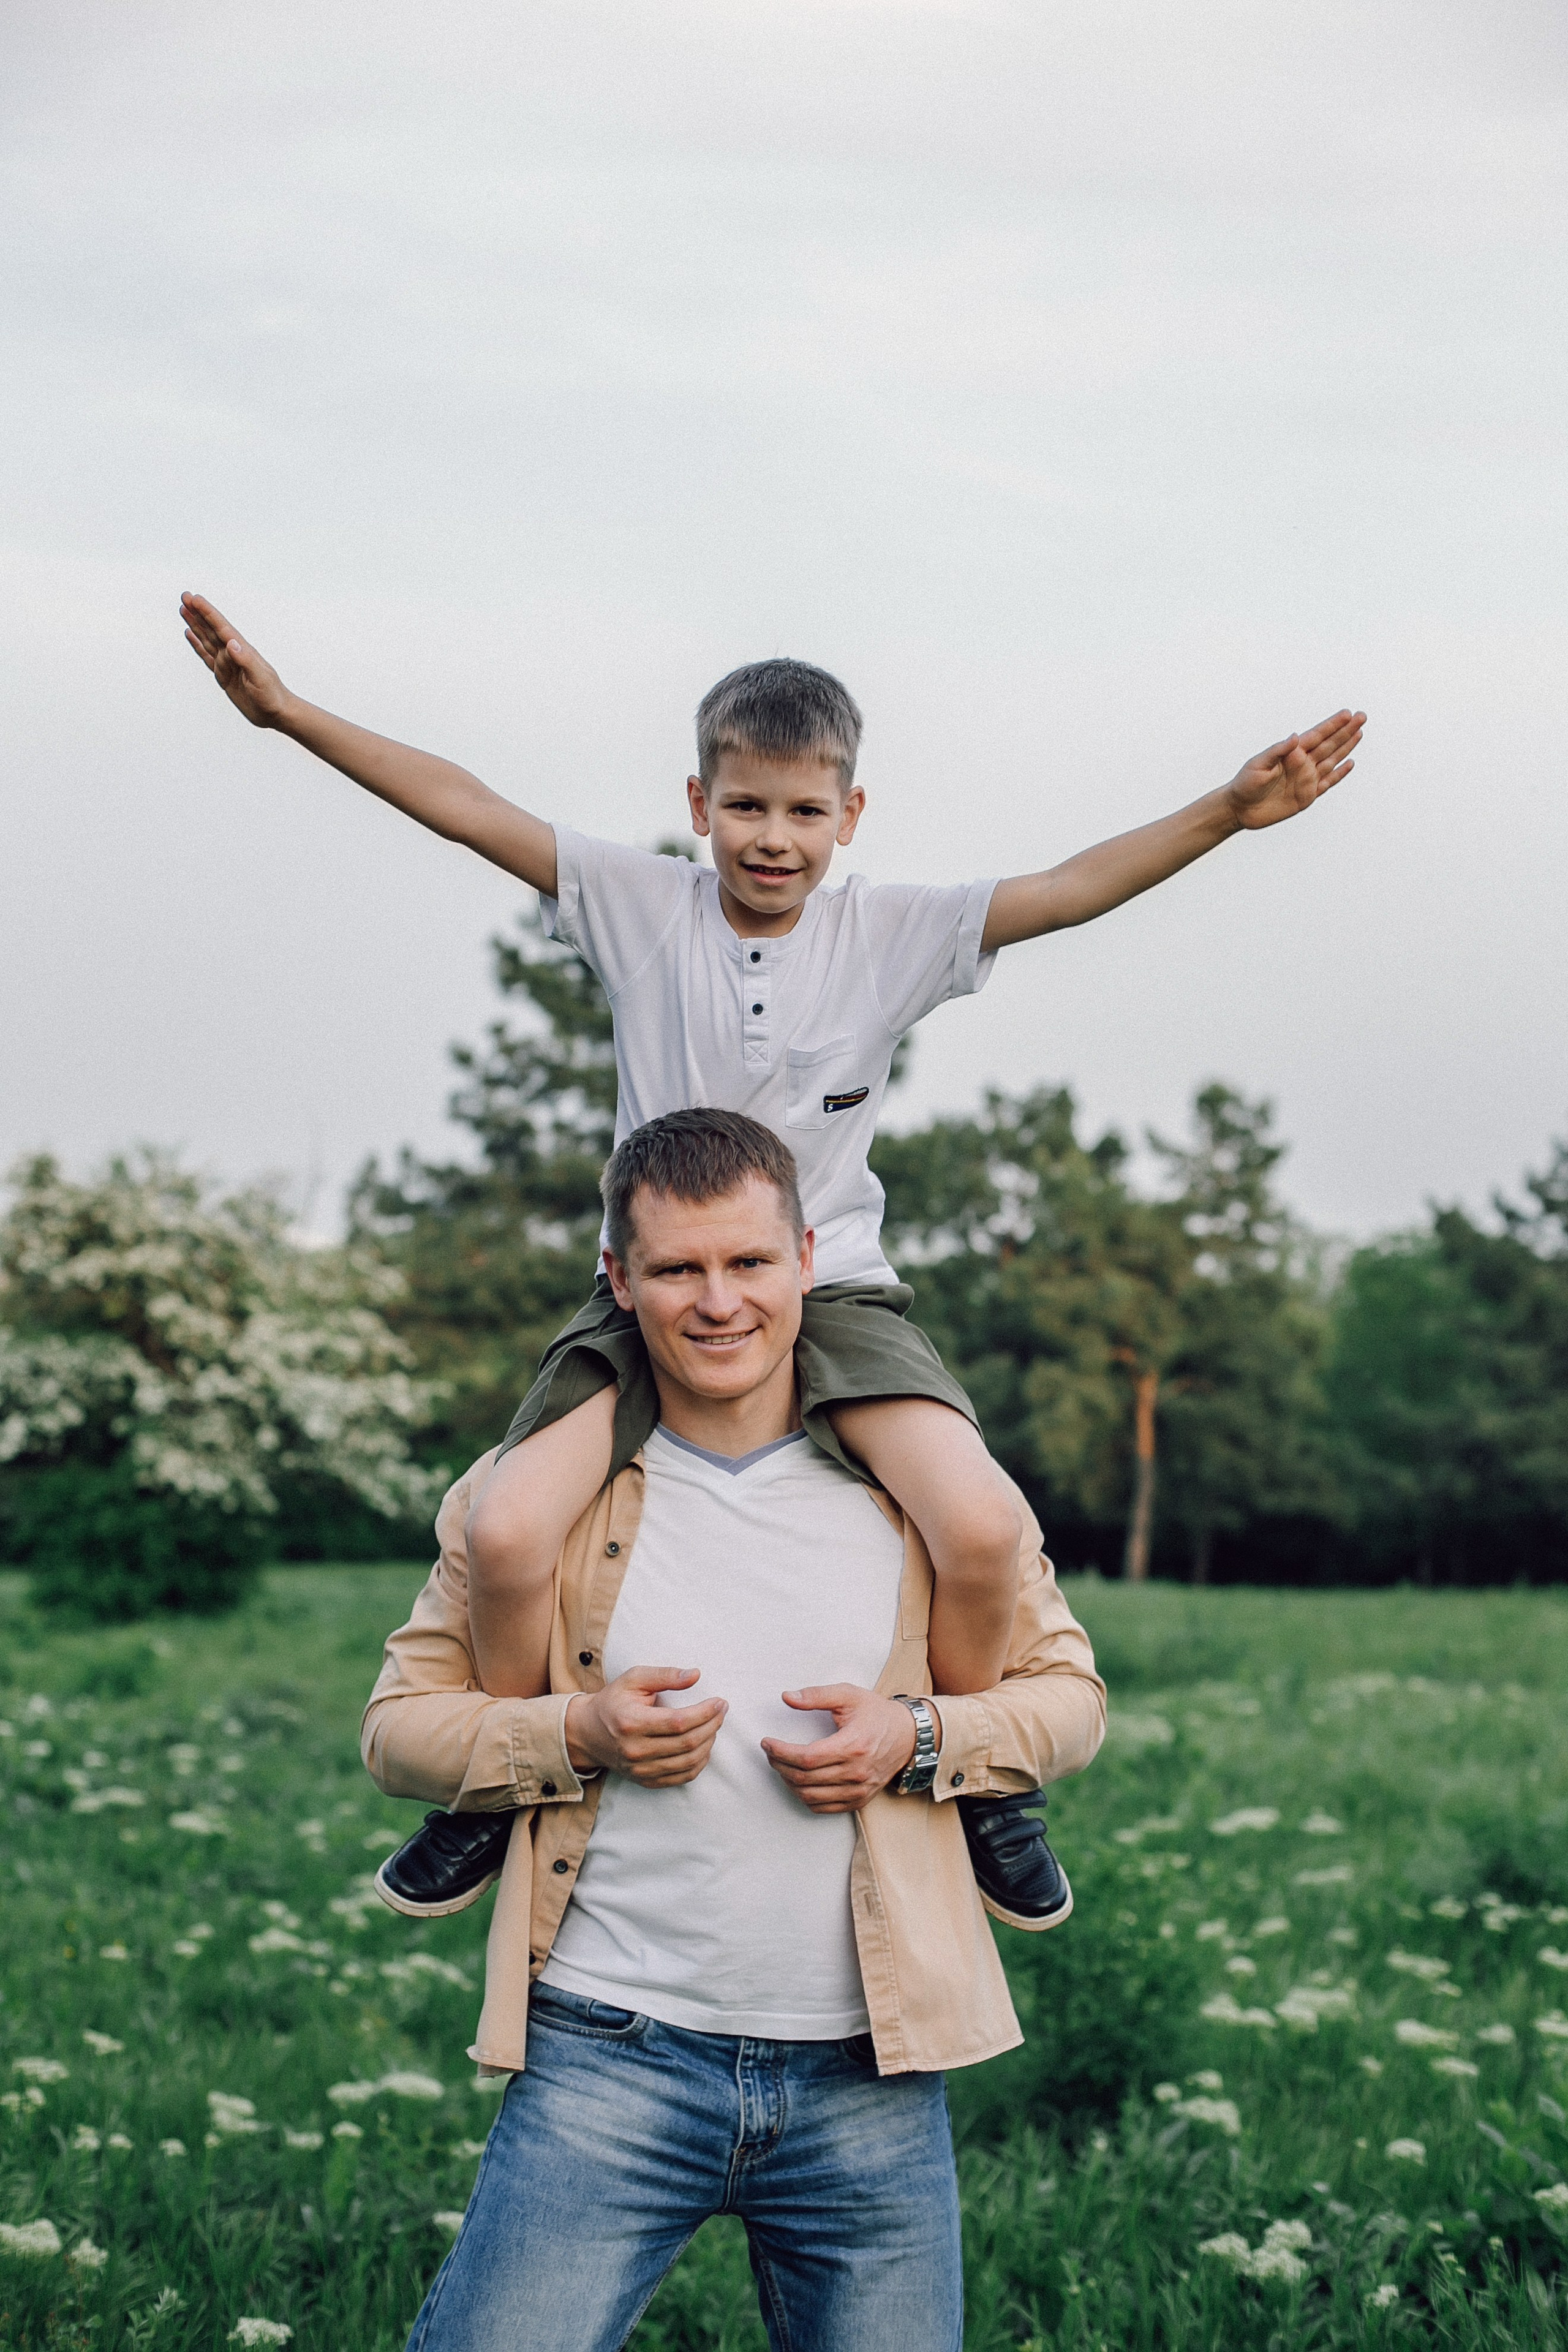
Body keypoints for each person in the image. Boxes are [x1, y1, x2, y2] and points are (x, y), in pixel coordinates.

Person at [181, 590, 1361, 1917]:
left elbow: (1066, 891)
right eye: (746, 807)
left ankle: (981, 1783)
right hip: (651, 1289)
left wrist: (1223, 810)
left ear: (848, 817)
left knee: (977, 1523)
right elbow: (461, 803)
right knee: (509, 1530)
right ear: (700, 803)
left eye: (804, 812)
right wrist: (282, 714)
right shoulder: (637, 907)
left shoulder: (891, 934)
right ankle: (500, 1784)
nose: (773, 838)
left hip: (834, 1282)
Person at [361, 1110, 1106, 2352]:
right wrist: (578, 1732)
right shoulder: (536, 1498)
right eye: (676, 1270)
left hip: (870, 2071)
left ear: (806, 1259)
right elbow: (398, 1732)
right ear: (617, 1280)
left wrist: (913, 1738)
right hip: (607, 2057)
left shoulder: (916, 1493)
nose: (717, 1303)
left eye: (748, 1264)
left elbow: (1071, 1702)